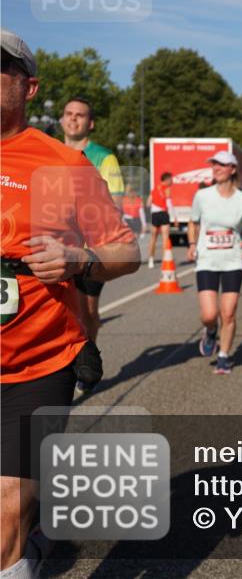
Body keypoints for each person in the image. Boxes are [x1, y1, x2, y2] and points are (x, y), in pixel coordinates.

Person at [1, 28, 140, 577]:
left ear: (29, 88)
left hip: (37, 363)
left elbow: (126, 251)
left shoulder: (62, 164)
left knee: (8, 507)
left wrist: (76, 259)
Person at [59, 96, 125, 343]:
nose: (73, 118)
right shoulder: (47, 152)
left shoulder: (104, 158)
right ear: (62, 119)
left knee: (87, 317)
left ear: (91, 123)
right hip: (54, 248)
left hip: (90, 252)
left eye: (80, 115)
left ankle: (88, 369)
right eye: (69, 113)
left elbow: (114, 207)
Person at [186, 152, 242, 375]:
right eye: (213, 164)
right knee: (209, 314)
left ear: (233, 169)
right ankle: (210, 331)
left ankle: (224, 356)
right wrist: (191, 243)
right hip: (207, 260)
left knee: (228, 312)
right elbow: (193, 221)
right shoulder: (203, 196)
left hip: (233, 262)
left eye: (221, 165)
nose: (216, 168)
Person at [148, 171, 178, 268]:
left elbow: (148, 202)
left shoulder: (154, 189)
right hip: (163, 214)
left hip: (154, 214)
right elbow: (169, 203)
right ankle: (165, 260)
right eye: (171, 179)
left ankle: (151, 260)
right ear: (167, 180)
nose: (172, 181)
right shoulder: (167, 189)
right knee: (165, 238)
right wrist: (175, 217)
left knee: (153, 238)